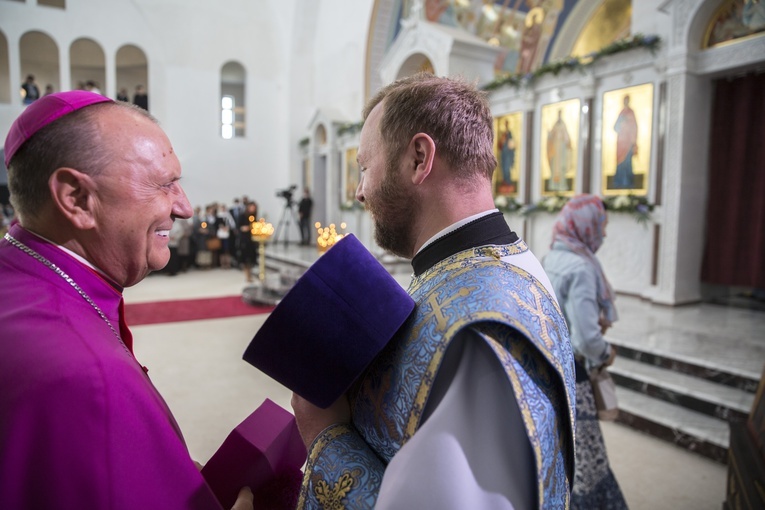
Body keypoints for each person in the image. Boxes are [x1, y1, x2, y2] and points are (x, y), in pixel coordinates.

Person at [291, 73, 575, 509]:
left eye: (365, 167)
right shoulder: (498, 263)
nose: (359, 191)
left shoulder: (479, 335)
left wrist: (325, 434)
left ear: (420, 157)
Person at [0, 91, 253, 510]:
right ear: (76, 199)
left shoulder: (21, 273)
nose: (185, 208)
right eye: (164, 184)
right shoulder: (86, 376)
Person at [542, 194, 629, 510]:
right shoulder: (583, 268)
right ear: (586, 226)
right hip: (574, 376)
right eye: (601, 226)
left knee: (559, 453)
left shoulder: (552, 257)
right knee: (587, 461)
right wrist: (606, 353)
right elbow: (586, 339)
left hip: (548, 368)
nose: (604, 234)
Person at [613, 94, 638, 189]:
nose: (625, 102)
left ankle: (627, 181)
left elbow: (634, 127)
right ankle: (618, 181)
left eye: (627, 100)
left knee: (627, 161)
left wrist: (633, 141)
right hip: (621, 141)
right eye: (624, 100)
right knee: (620, 162)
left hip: (628, 141)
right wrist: (621, 121)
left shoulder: (631, 113)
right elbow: (615, 127)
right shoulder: (621, 113)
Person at [547, 108, 572, 192]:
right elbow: (551, 136)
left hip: (562, 149)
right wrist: (549, 134)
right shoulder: (555, 125)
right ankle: (554, 185)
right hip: (555, 149)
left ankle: (562, 185)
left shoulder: (563, 125)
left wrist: (567, 143)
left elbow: (567, 138)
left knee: (561, 167)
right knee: (555, 167)